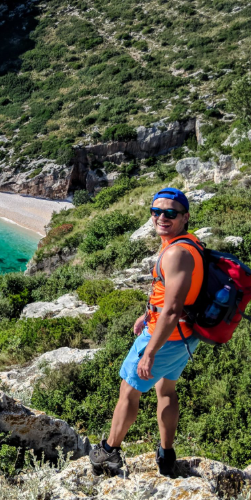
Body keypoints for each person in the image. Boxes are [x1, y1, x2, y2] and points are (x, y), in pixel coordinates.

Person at [89, 187, 202, 477]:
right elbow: (174, 296)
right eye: (156, 211)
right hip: (185, 336)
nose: (162, 217)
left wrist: (150, 352)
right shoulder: (189, 243)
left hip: (165, 337)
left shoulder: (176, 253)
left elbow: (172, 310)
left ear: (185, 217)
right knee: (166, 389)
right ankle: (166, 455)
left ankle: (109, 451)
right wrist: (147, 313)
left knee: (128, 390)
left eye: (170, 213)